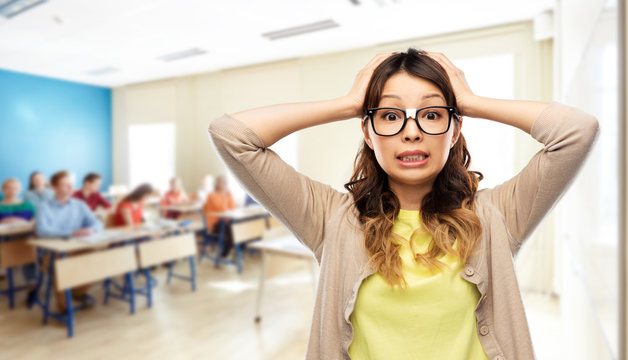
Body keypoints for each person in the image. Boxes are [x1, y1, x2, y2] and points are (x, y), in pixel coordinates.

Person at [207, 49, 600, 359]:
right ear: (368, 130)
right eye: (390, 116)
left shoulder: (497, 215)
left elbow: (577, 132)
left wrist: (469, 100)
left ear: (454, 128)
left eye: (431, 114)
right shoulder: (331, 218)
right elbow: (232, 136)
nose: (411, 132)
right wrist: (348, 104)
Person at [35, 170, 104, 312]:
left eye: (71, 185)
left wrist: (93, 230)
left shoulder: (79, 205)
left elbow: (96, 222)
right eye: (65, 185)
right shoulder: (44, 207)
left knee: (101, 258)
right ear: (54, 187)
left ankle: (77, 292)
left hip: (77, 247)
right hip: (52, 252)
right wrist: (72, 233)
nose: (70, 188)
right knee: (62, 264)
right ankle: (64, 306)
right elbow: (41, 231)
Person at [0, 178, 38, 305]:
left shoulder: (28, 205)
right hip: (3, 241)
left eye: (15, 188)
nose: (12, 191)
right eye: (8, 188)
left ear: (20, 190)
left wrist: (23, 222)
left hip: (24, 239)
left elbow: (36, 220)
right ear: (3, 189)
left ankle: (32, 286)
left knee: (28, 250)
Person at [202, 175, 236, 257]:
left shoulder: (226, 194)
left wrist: (229, 195)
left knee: (237, 226)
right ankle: (225, 252)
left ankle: (235, 247)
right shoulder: (212, 195)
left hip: (224, 221)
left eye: (225, 183)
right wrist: (225, 195)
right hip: (214, 224)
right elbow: (222, 209)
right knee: (230, 228)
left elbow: (232, 208)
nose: (223, 185)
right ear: (216, 184)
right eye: (221, 182)